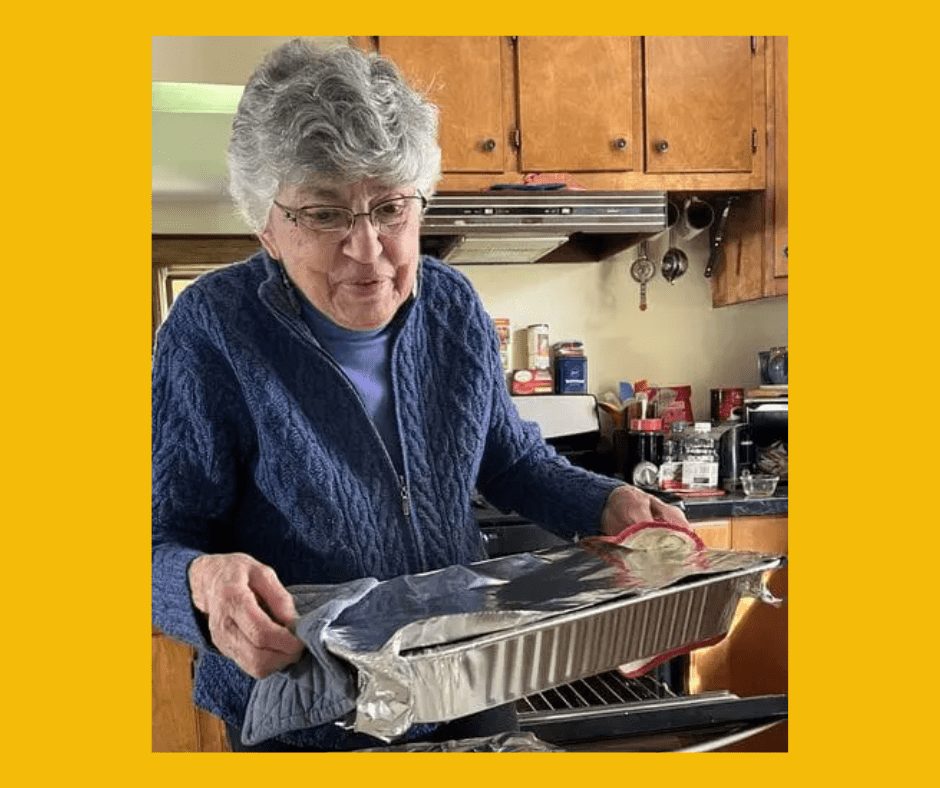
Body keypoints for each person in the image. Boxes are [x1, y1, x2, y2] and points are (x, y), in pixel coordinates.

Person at [151, 38, 688, 752]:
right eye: (325, 214)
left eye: (390, 208)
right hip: (305, 700)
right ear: (268, 228)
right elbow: (158, 537)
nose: (368, 248)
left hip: (461, 666)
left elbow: (508, 460)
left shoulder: (452, 306)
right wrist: (199, 585)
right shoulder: (212, 329)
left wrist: (604, 501)